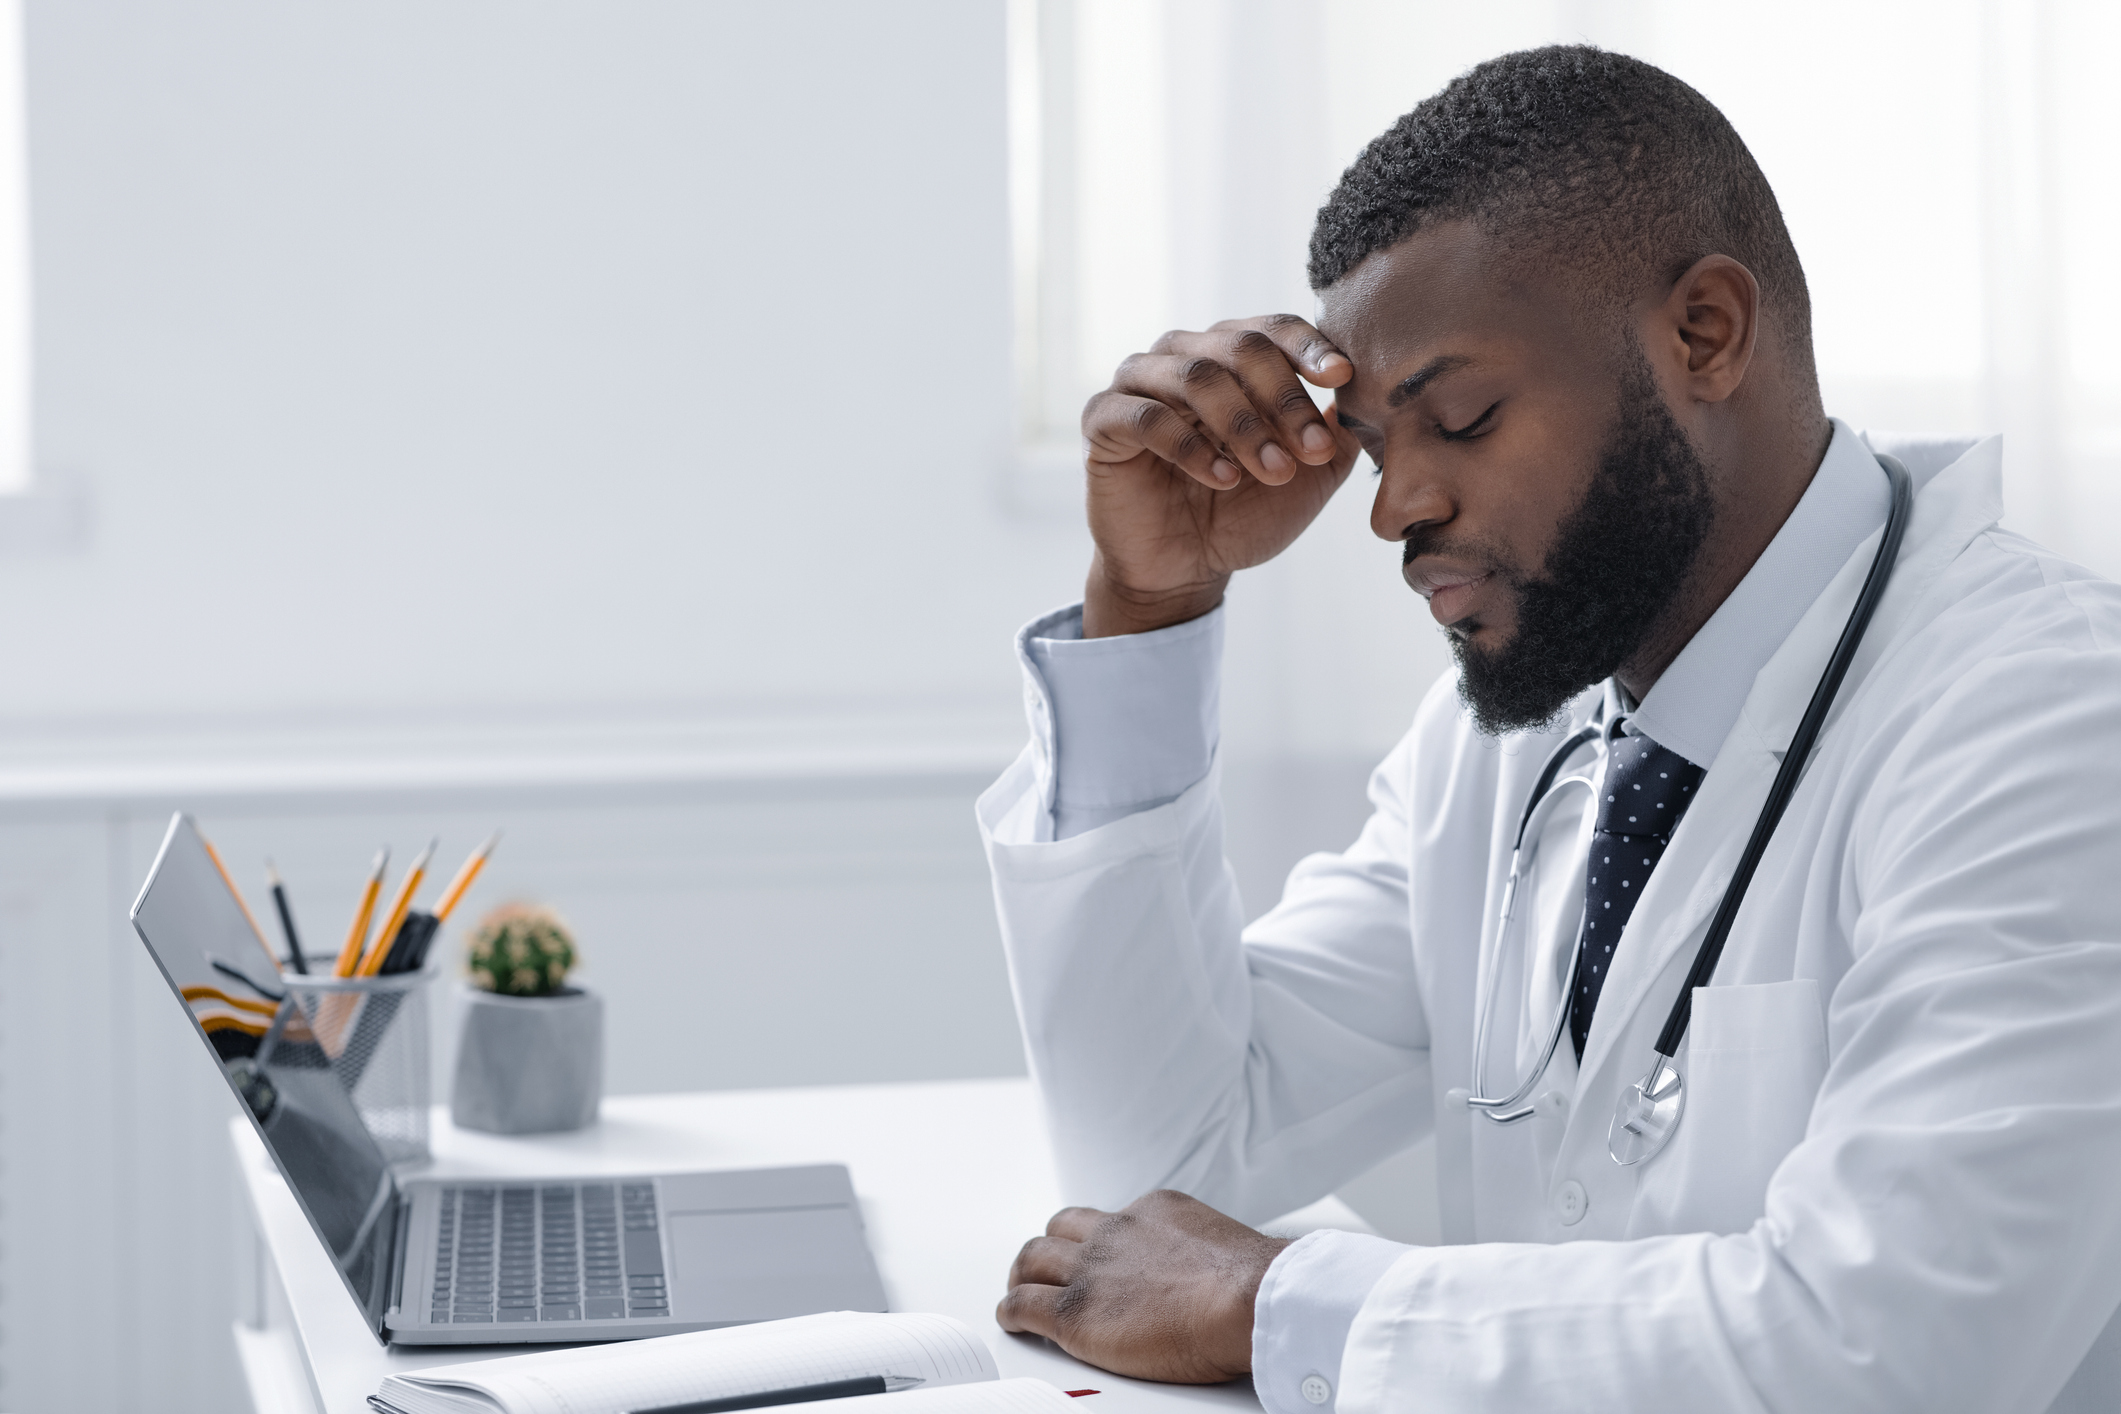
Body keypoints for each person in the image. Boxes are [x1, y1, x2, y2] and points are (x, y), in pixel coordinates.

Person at [975, 45, 2121, 1414]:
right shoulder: (1513, 731)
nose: (1393, 509)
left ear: (1701, 333)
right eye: (1372, 441)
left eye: (1457, 417)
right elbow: (1160, 1160)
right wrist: (1150, 606)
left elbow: (1894, 1341)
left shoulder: (2044, 722)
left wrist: (1277, 1297)